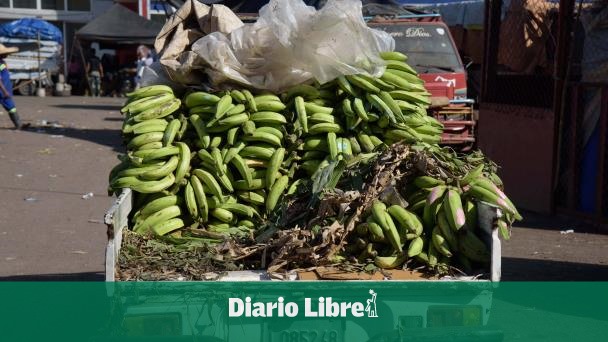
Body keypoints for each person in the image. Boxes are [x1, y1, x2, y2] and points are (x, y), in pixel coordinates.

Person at [0, 44, 23, 129]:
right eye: (5, 53)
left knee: (11, 107)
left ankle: (19, 124)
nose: (7, 54)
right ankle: (18, 124)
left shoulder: (2, 62)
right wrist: (5, 91)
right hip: (2, 91)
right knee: (10, 106)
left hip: (4, 90)